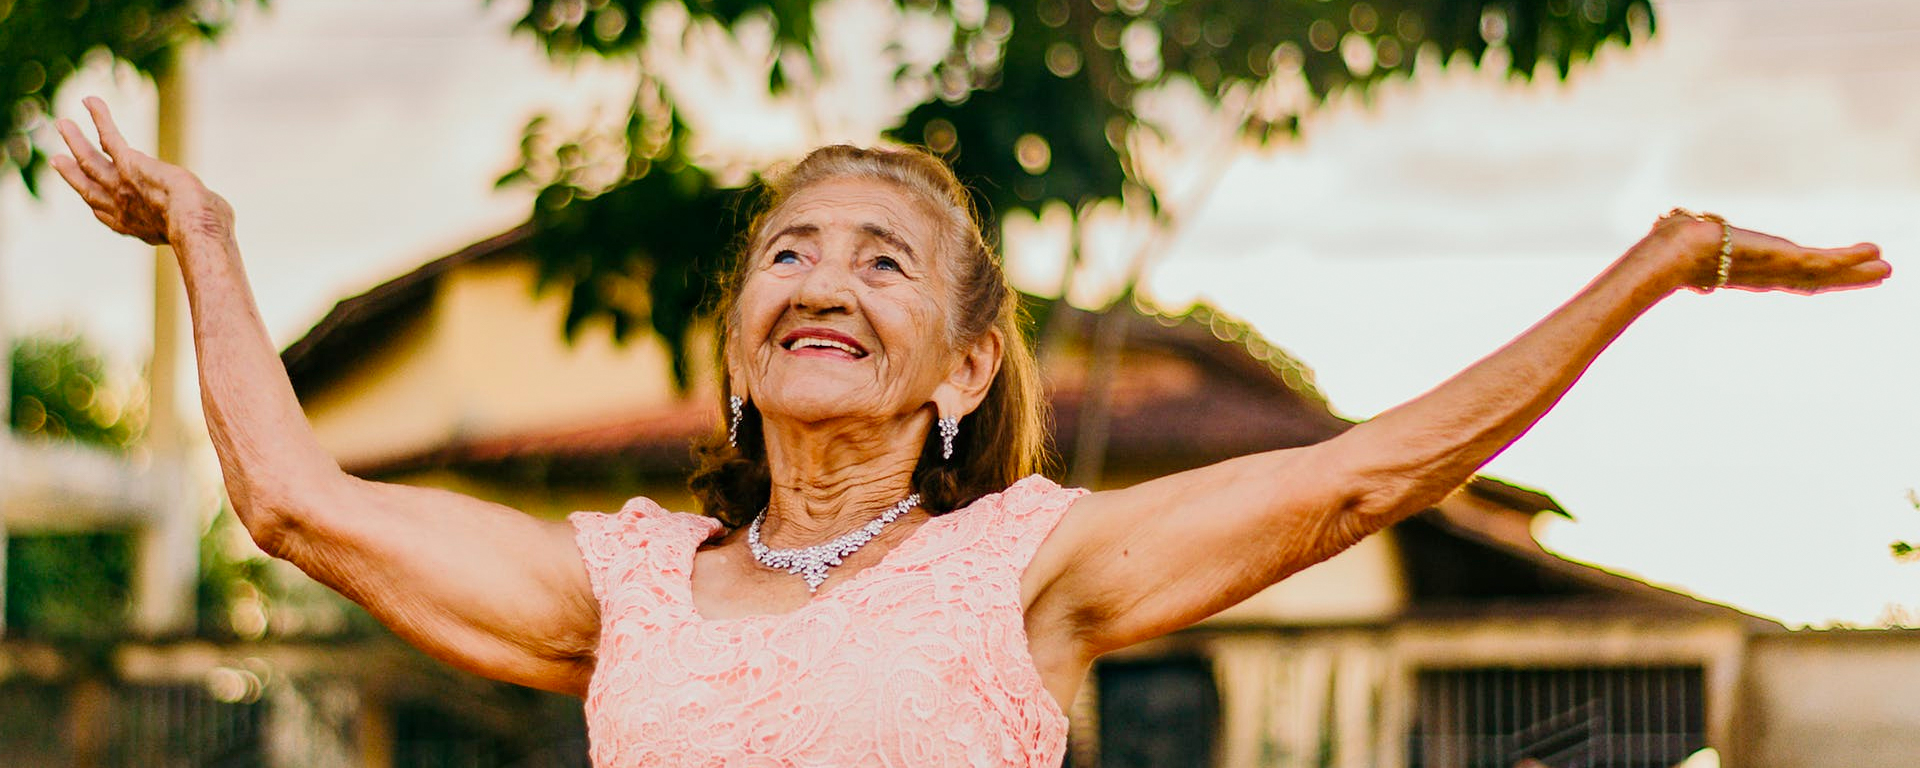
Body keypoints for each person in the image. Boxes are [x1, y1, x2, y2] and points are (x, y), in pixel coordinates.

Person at [50, 96, 1889, 766]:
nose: (823, 280)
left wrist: (1657, 268)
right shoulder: (622, 587)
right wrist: (206, 233)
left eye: (884, 261)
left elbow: (1366, 478)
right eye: (789, 252)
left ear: (960, 370)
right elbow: (294, 505)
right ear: (740, 345)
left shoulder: (1025, 567)